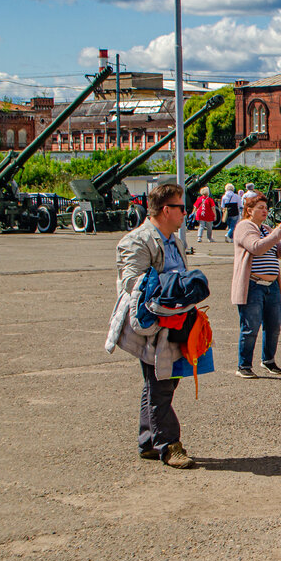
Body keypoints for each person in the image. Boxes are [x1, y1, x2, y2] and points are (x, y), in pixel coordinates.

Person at [113, 183, 195, 469]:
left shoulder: (175, 240)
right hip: (152, 324)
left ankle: (148, 442)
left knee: (162, 382)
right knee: (161, 383)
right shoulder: (136, 240)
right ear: (166, 210)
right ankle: (169, 444)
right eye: (182, 207)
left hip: (177, 320)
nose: (186, 212)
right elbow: (131, 282)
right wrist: (173, 288)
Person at [232, 190, 281, 378]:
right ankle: (243, 365)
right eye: (260, 208)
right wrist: (278, 232)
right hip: (253, 285)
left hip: (272, 286)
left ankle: (268, 360)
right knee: (250, 327)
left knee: (274, 325)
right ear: (249, 210)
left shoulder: (267, 229)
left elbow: (280, 254)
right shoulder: (245, 227)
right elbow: (256, 248)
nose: (264, 211)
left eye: (266, 207)